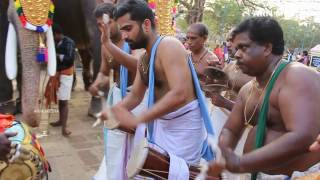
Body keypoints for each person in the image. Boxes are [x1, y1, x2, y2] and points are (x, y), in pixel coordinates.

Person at [104, 0, 212, 169]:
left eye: (128, 28)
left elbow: (179, 94)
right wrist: (118, 109)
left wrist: (139, 119)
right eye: (121, 30)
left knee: (178, 173)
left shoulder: (169, 45)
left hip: (183, 129)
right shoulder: (144, 59)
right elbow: (135, 95)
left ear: (146, 24)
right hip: (162, 124)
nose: (124, 36)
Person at [208, 17, 320, 179]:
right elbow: (230, 129)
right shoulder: (248, 89)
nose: (237, 54)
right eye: (236, 48)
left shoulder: (296, 75)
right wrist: (224, 154)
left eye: (244, 48)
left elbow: (302, 136)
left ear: (267, 48)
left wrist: (241, 162)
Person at [90, 3, 144, 180]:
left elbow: (138, 66)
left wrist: (108, 44)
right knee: (115, 144)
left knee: (136, 146)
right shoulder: (105, 44)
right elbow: (104, 73)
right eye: (99, 24)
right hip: (118, 96)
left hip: (138, 100)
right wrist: (96, 83)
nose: (103, 27)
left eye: (107, 22)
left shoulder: (132, 39)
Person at [49, 24, 76, 136]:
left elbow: (70, 59)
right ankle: (61, 121)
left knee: (64, 101)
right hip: (59, 74)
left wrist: (56, 55)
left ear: (57, 34)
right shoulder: (56, 42)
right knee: (61, 100)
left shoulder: (69, 42)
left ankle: (64, 128)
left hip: (66, 74)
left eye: (53, 36)